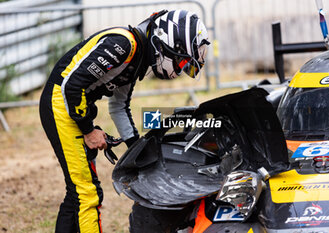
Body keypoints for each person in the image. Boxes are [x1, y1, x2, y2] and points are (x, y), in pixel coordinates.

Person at [39, 9, 209, 233]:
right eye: (180, 64)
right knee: (87, 194)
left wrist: (139, 150)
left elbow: (119, 107)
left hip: (69, 106)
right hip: (61, 104)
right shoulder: (124, 45)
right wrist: (88, 130)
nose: (178, 71)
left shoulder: (137, 58)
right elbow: (71, 86)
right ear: (167, 43)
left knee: (77, 192)